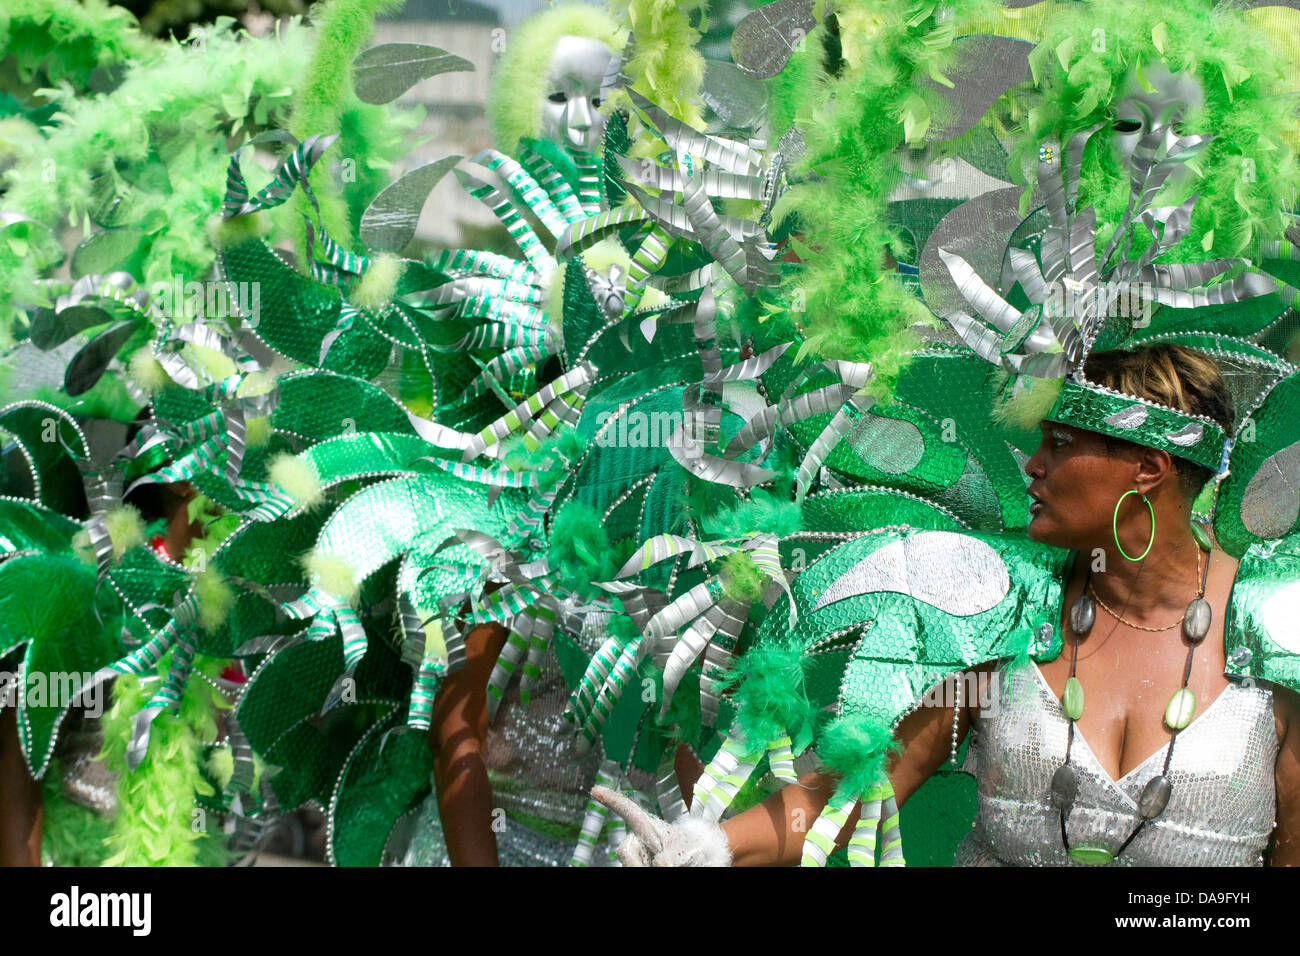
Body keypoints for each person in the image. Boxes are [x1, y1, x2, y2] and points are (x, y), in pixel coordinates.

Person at [595, 344, 1300, 866]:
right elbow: (855, 790)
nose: (1034, 463)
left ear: (1149, 468)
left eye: (1061, 443)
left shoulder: (1275, 634)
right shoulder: (1005, 606)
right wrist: (713, 844)